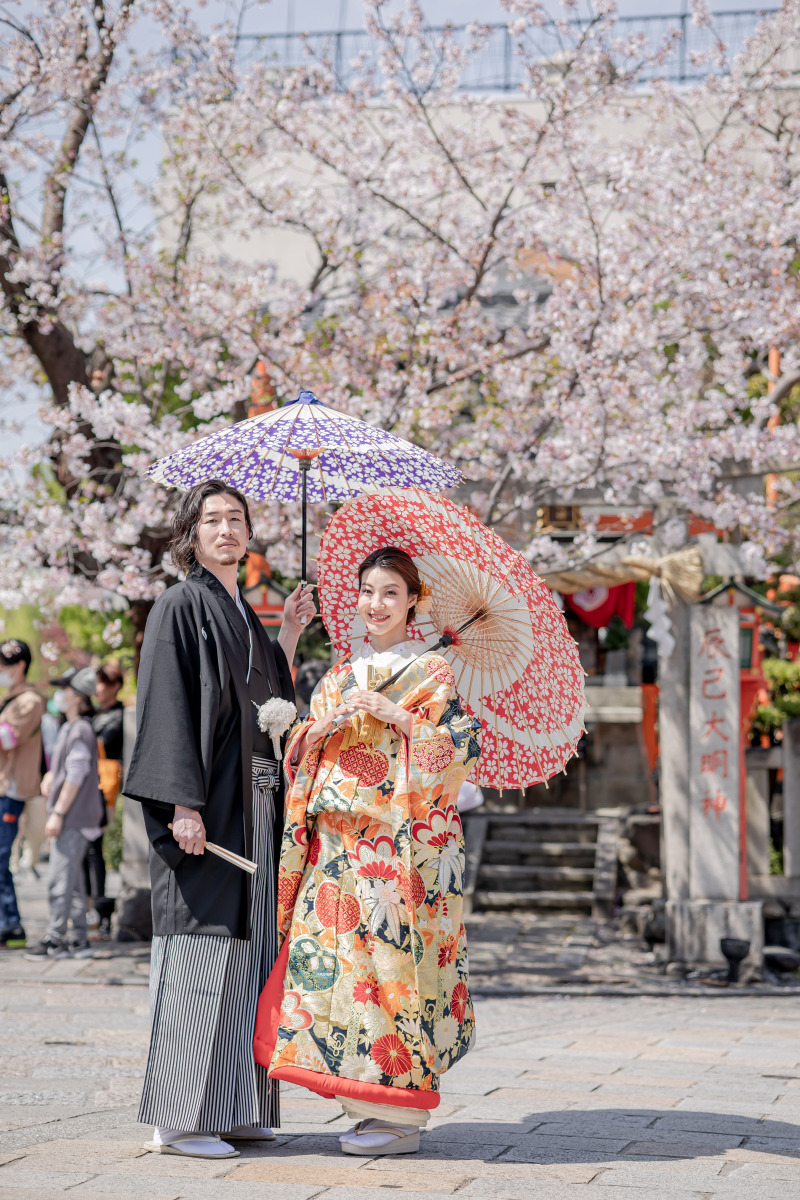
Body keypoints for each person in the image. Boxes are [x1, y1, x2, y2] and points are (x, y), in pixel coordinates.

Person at [254, 547, 481, 1156]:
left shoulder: (432, 675)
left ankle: (401, 1113)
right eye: (366, 592)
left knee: (391, 972)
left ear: (413, 603)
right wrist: (316, 730)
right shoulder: (337, 676)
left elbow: (459, 749)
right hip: (335, 848)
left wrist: (400, 719)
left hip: (397, 850)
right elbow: (298, 750)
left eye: (389, 593)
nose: (374, 604)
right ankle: (364, 1101)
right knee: (336, 974)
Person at [124, 478, 315, 1161]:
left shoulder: (244, 612)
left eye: (236, 518)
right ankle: (177, 1117)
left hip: (254, 809)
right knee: (200, 947)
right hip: (206, 804)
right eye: (213, 520)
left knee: (249, 950)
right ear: (192, 536)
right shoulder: (180, 605)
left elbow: (273, 706)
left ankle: (235, 1105)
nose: (228, 529)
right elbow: (170, 707)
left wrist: (287, 633)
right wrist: (181, 803)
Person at [24, 667, 105, 960]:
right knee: (71, 880)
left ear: (75, 696)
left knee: (60, 879)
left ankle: (56, 938)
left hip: (72, 817)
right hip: (75, 816)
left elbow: (76, 774)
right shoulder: (73, 727)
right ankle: (79, 940)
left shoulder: (79, 728)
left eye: (64, 689)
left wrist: (57, 812)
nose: (59, 694)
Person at [0, 639, 45, 949]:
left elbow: (6, 738)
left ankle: (12, 924)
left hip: (11, 789)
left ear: (20, 666)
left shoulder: (30, 700)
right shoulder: (11, 697)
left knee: (1, 857)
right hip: (4, 786)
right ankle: (9, 923)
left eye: (6, 665)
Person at [85, 661, 125, 938]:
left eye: (102, 683)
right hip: (91, 787)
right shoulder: (96, 713)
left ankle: (100, 911)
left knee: (93, 850)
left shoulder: (120, 716)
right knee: (87, 851)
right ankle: (93, 909)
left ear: (115, 686)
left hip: (104, 789)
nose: (97, 689)